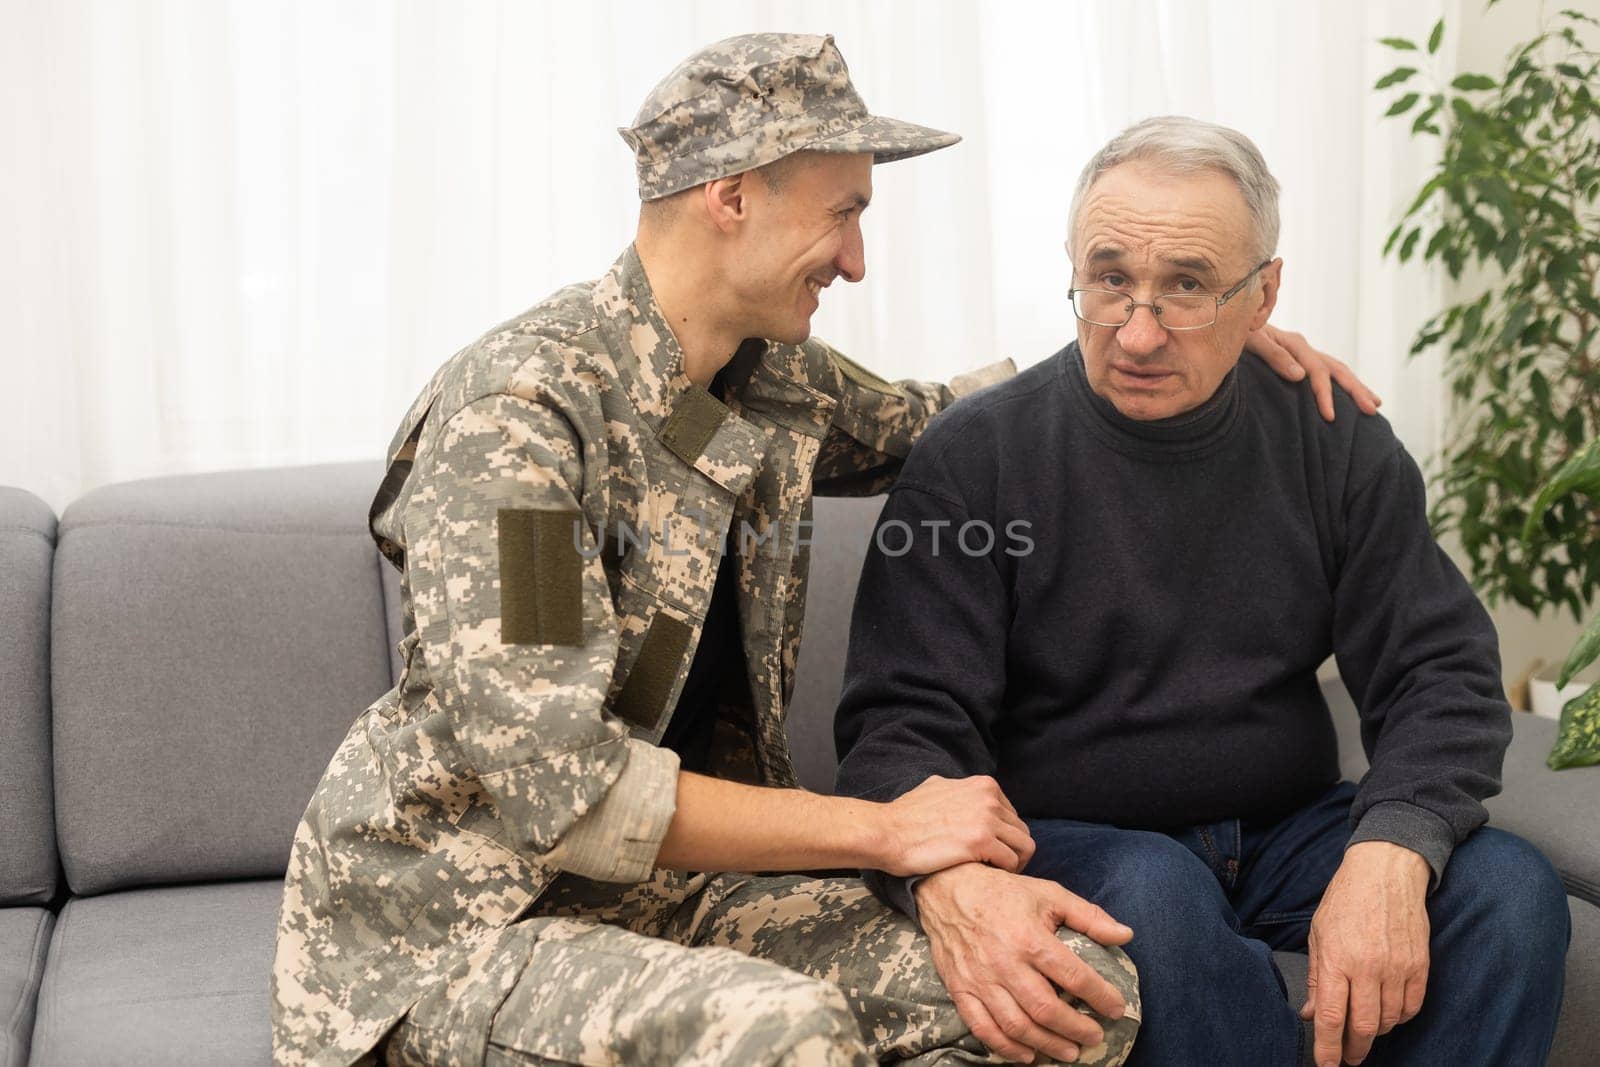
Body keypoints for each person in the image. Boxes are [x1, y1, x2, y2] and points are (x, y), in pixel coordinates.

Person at [272, 35, 1371, 1066]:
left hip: (675, 895)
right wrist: (886, 829)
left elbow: (964, 414)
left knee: (1074, 989)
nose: (854, 258)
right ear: (731, 195)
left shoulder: (770, 381)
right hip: (465, 922)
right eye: (842, 212)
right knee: (779, 1029)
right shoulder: (523, 416)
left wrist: (1192, 326)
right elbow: (566, 793)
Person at [833, 115, 1569, 1067]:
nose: (1138, 332)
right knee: (1156, 890)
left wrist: (1392, 845)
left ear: (1264, 295)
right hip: (1078, 843)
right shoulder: (977, 459)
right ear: (1072, 268)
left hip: (1288, 831)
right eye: (1110, 280)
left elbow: (1439, 670)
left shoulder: (1331, 439)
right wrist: (958, 877)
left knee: (1506, 889)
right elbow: (901, 731)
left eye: (1186, 287)